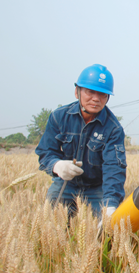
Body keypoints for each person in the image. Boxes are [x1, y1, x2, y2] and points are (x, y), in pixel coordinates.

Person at [36, 64, 127, 221]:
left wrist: (111, 205)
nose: (96, 99)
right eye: (90, 92)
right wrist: (56, 165)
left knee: (107, 231)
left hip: (96, 188)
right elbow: (45, 152)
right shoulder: (59, 117)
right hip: (66, 183)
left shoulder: (113, 128)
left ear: (108, 98)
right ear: (77, 91)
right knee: (51, 224)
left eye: (102, 94)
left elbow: (114, 168)